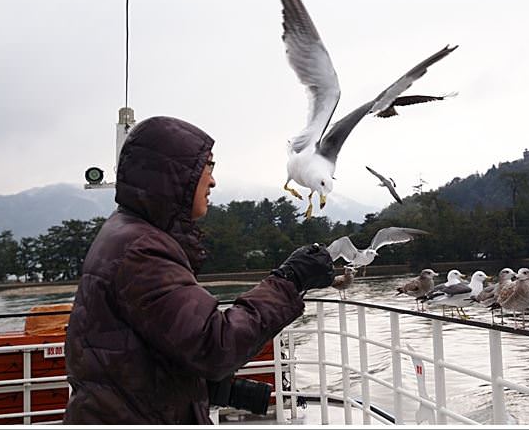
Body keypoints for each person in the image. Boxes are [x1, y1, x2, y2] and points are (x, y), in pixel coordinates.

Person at [63, 116, 334, 424]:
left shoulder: (126, 233)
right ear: (174, 176)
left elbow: (135, 352)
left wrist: (212, 389)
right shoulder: (142, 250)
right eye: (208, 167)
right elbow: (214, 345)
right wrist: (290, 280)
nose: (213, 181)